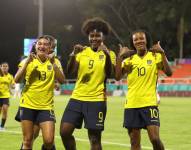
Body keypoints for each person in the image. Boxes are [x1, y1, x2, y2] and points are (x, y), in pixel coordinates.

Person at [60, 17, 112, 150]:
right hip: (77, 98)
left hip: (96, 100)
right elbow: (70, 71)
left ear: (103, 37)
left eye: (97, 36)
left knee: (94, 139)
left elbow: (109, 73)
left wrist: (106, 56)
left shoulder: (109, 53)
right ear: (88, 37)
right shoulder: (82, 52)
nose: (94, 38)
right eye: (92, 36)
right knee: (64, 132)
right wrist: (73, 54)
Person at [115, 30, 172, 150]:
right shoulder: (129, 59)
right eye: (136, 39)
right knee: (134, 144)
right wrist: (120, 57)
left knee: (155, 139)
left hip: (150, 104)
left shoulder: (155, 56)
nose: (139, 41)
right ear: (133, 42)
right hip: (132, 104)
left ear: (146, 40)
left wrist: (162, 53)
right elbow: (117, 77)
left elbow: (169, 73)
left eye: (141, 38)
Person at [14, 35, 65, 150]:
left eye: (45, 44)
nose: (42, 46)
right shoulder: (27, 61)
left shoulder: (55, 61)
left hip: (46, 106)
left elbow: (62, 80)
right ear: (35, 46)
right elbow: (16, 79)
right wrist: (27, 62)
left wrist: (53, 64)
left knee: (49, 141)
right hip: (27, 105)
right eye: (39, 44)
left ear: (50, 48)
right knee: (27, 141)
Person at [0, 62, 14, 130]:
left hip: (6, 96)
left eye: (6, 66)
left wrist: (12, 87)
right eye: (3, 66)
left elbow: (12, 85)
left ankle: (2, 126)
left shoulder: (10, 76)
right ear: (1, 67)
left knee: (5, 110)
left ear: (8, 68)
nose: (5, 68)